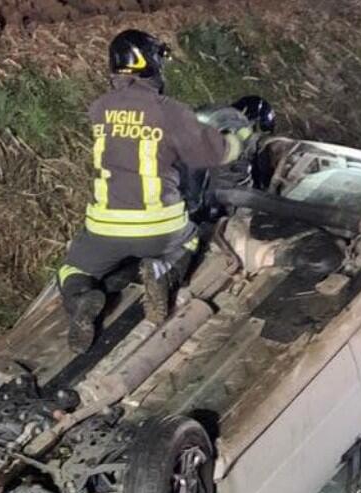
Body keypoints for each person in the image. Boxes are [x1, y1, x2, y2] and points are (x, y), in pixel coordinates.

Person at [58, 29, 253, 352]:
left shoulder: (99, 109)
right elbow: (212, 154)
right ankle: (163, 270)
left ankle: (81, 298)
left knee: (72, 269)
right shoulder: (169, 111)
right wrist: (241, 138)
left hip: (105, 228)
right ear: (149, 63)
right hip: (161, 228)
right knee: (191, 238)